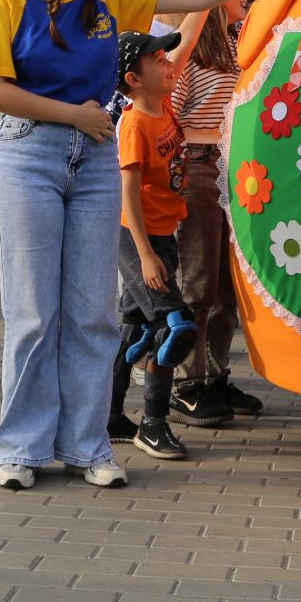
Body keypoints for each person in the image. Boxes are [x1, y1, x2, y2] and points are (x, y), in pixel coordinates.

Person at [0, 0, 301, 491]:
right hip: (32, 153)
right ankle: (20, 446)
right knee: (33, 312)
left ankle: (86, 444)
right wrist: (73, 114)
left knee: (92, 313)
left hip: (95, 157)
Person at [165, 0, 263, 425]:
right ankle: (186, 385)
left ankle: (215, 376)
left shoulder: (236, 44)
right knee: (199, 281)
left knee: (229, 286)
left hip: (237, 169)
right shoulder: (193, 55)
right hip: (197, 165)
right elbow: (170, 107)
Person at [103, 31, 198, 463]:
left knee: (135, 326)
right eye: (157, 58)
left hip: (162, 232)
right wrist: (143, 254)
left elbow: (188, 44)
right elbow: (127, 193)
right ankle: (154, 425)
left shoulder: (165, 108)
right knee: (175, 327)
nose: (167, 63)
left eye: (165, 55)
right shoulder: (135, 124)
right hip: (137, 237)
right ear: (133, 79)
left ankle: (109, 417)